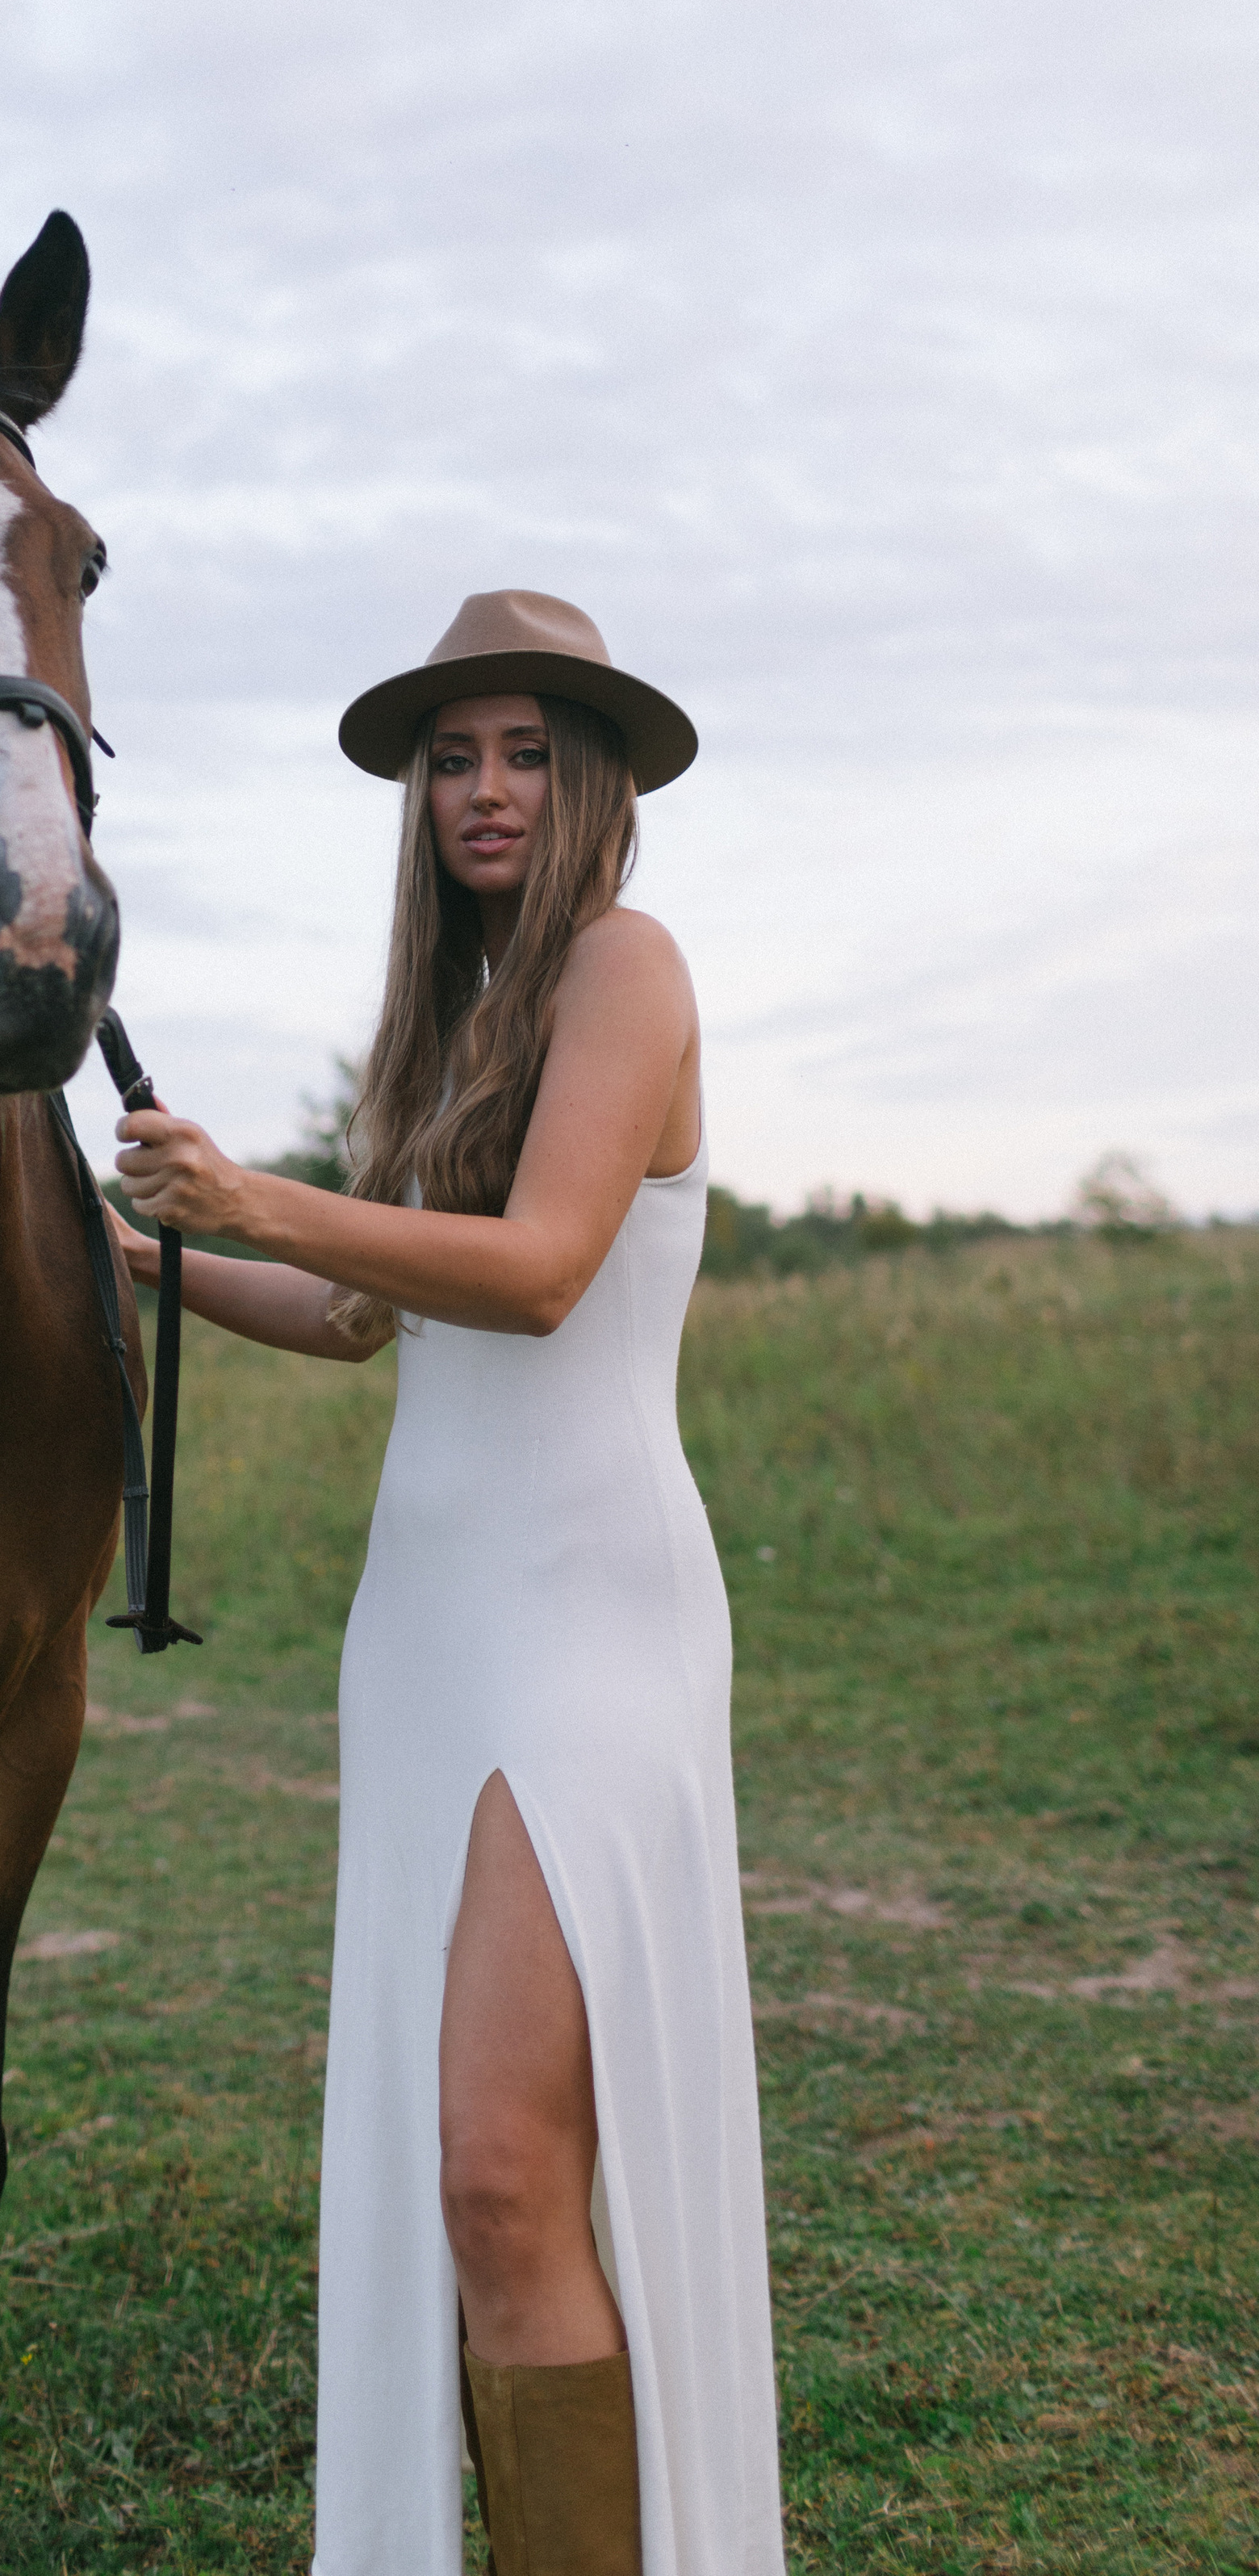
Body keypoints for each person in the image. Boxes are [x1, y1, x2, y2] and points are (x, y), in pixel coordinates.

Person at [111, 591, 784, 2576]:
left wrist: (250, 1185)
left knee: (502, 2174)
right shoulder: (454, 1021)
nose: (482, 790)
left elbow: (546, 1262)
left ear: (589, 778)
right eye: (447, 757)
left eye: (521, 752)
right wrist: (127, 1246)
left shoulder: (622, 969)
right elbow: (347, 1309)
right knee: (473, 2182)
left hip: (591, 1632)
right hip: (421, 1632)